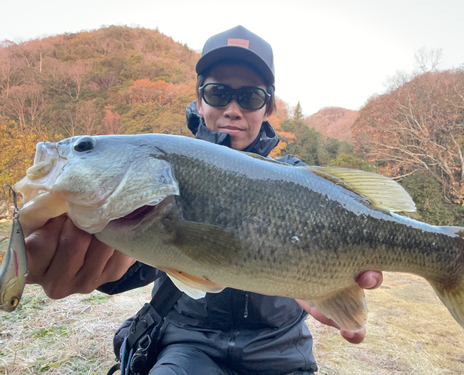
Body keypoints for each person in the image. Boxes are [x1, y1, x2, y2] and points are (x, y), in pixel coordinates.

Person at [24, 25, 383, 374]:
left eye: (250, 97)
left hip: (281, 350)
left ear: (268, 107)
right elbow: (134, 264)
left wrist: (334, 287)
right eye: (217, 93)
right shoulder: (158, 176)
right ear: (198, 100)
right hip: (187, 345)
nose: (232, 108)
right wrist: (89, 263)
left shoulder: (306, 183)